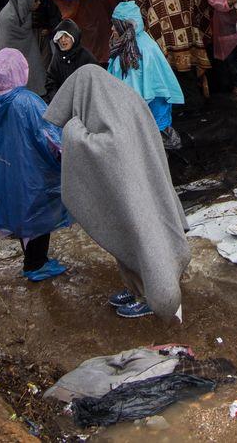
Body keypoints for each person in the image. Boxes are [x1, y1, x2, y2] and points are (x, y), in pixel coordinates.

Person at [44, 65, 190, 321]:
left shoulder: (116, 108)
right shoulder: (119, 99)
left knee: (143, 237)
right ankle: (135, 288)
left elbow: (108, 147)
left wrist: (74, 133)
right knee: (130, 236)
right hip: (140, 184)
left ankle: (148, 296)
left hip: (136, 191)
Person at [0, 48, 70, 281]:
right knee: (39, 215)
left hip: (8, 169)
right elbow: (50, 137)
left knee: (24, 214)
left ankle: (34, 260)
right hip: (33, 170)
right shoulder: (27, 101)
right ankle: (35, 264)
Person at [108, 0, 184, 144]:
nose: (112, 28)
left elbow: (133, 93)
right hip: (151, 115)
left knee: (151, 148)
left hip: (150, 115)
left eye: (115, 24)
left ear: (126, 26)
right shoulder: (136, 43)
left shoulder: (137, 51)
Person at [0, 0, 50, 97]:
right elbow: (6, 49)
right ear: (27, 0)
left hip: (24, 55)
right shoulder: (8, 18)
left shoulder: (23, 11)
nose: (39, 3)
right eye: (36, 0)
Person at [44, 19, 97, 101]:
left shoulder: (85, 56)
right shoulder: (57, 56)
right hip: (61, 103)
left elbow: (95, 81)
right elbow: (51, 80)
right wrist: (56, 99)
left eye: (66, 36)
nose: (63, 40)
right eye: (60, 37)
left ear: (74, 37)